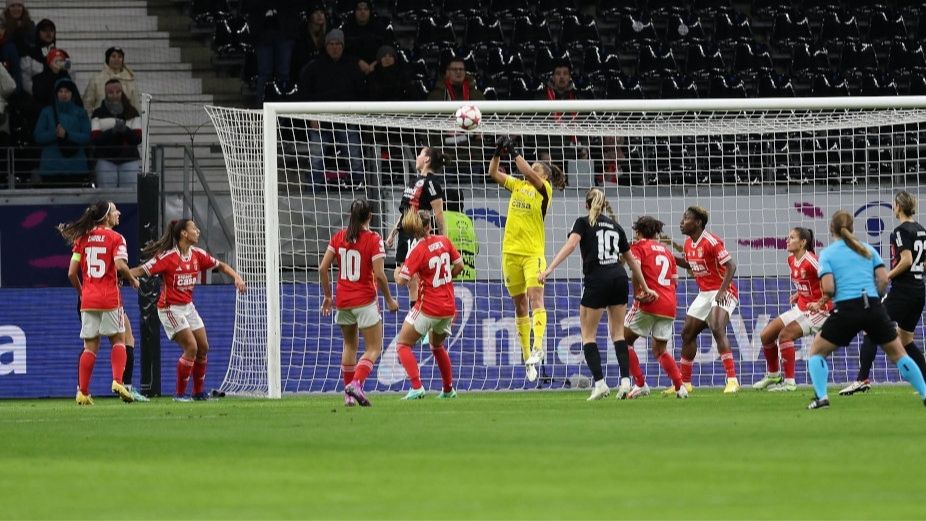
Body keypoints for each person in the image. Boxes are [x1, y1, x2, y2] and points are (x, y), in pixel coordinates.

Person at [539, 189, 656, 400]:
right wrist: (645, 288)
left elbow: (571, 245)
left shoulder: (582, 223)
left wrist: (549, 269)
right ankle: (625, 382)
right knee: (618, 333)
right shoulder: (616, 227)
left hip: (597, 279)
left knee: (588, 335)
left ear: (587, 205)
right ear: (603, 206)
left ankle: (600, 383)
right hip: (619, 278)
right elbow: (630, 261)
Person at [805, 210, 926, 410]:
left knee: (816, 352)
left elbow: (828, 288)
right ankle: (924, 392)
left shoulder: (828, 254)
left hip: (846, 309)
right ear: (852, 228)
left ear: (831, 229)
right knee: (899, 354)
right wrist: (875, 299)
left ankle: (822, 398)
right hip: (873, 307)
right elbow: (883, 279)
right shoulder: (868, 249)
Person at [129, 219, 247, 401]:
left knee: (203, 347)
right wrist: (121, 273)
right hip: (169, 309)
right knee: (191, 347)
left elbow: (221, 266)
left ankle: (198, 393)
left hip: (188, 307)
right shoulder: (168, 258)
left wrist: (237, 278)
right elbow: (141, 270)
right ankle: (179, 394)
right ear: (184, 233)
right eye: (194, 228)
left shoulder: (197, 255)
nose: (197, 231)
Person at [488, 136, 567, 382]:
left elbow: (527, 172)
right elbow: (493, 173)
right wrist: (498, 152)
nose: (529, 171)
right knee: (519, 305)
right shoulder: (517, 186)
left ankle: (538, 346)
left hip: (533, 253)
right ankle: (527, 358)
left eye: (535, 169)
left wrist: (514, 152)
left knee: (536, 299)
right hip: (510, 253)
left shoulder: (544, 190)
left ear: (543, 176)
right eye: (530, 167)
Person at [840, 191, 926, 396]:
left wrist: (888, 275)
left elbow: (905, 260)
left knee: (871, 328)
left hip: (903, 291)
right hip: (919, 290)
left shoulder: (899, 232)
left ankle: (861, 379)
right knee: (905, 340)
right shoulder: (922, 230)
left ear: (898, 206)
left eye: (894, 204)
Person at [57, 201, 140, 405]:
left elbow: (71, 273)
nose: (118, 214)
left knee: (89, 347)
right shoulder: (116, 238)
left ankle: (83, 392)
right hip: (110, 298)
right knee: (119, 340)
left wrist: (82, 292)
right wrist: (132, 279)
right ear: (106, 217)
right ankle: (118, 382)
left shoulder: (82, 239)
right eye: (114, 211)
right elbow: (120, 266)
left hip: (89, 299)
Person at [318, 199, 399, 407]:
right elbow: (380, 275)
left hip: (343, 300)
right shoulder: (373, 239)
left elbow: (322, 268)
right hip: (364, 299)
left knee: (349, 346)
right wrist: (389, 300)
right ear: (369, 216)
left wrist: (328, 296)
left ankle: (347, 396)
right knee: (373, 348)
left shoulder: (338, 237)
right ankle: (356, 384)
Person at [394, 208, 464, 399]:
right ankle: (448, 389)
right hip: (449, 307)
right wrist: (447, 279)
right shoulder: (444, 241)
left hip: (428, 307)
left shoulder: (417, 249)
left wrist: (397, 273)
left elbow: (402, 281)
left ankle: (417, 386)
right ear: (430, 226)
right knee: (436, 346)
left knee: (402, 345)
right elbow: (460, 265)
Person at [671, 205, 740, 394]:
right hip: (704, 294)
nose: (681, 222)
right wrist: (672, 258)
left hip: (724, 291)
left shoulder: (711, 241)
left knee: (717, 327)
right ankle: (685, 383)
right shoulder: (688, 244)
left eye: (686, 218)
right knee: (686, 334)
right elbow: (690, 264)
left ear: (698, 222)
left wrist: (722, 291)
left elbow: (731, 266)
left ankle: (732, 380)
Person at [753, 227, 829, 392]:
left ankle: (789, 383)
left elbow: (832, 285)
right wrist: (799, 293)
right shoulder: (791, 260)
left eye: (792, 237)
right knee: (766, 335)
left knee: (785, 335)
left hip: (821, 311)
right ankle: (773, 375)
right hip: (801, 307)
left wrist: (819, 303)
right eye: (788, 237)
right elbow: (809, 285)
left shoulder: (814, 261)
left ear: (803, 242)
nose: (787, 240)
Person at [621, 216, 687, 399]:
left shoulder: (639, 247)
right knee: (660, 350)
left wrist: (637, 293)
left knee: (622, 341)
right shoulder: (667, 252)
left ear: (638, 231)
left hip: (649, 301)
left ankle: (640, 384)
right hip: (669, 304)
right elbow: (676, 282)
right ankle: (679, 387)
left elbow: (636, 269)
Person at [385, 146, 448, 318]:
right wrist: (393, 234)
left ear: (427, 159)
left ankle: (419, 317)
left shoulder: (432, 183)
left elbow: (439, 214)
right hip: (404, 235)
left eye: (420, 154)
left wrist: (443, 240)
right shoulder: (413, 182)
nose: (418, 156)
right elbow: (406, 212)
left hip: (418, 235)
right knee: (403, 278)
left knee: (414, 278)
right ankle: (419, 314)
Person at [33, 77, 90, 183]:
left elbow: (86, 137)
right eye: (60, 91)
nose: (64, 94)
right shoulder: (46, 112)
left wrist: (67, 135)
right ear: (56, 93)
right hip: (51, 169)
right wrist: (55, 134)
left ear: (72, 93)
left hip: (76, 168)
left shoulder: (81, 112)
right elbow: (38, 136)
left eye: (67, 91)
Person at [244, 0, 301, 104]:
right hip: (262, 33)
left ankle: (284, 109)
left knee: (283, 73)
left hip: (285, 32)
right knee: (264, 74)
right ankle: (262, 108)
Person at [90, 79, 141, 188]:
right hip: (105, 159)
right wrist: (112, 131)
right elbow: (95, 139)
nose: (115, 95)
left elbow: (137, 138)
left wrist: (125, 130)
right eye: (111, 93)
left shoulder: (132, 111)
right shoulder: (98, 113)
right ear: (106, 94)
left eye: (118, 92)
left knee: (129, 195)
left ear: (122, 93)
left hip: (129, 159)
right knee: (107, 196)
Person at [82, 47, 141, 116]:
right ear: (107, 59)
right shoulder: (96, 79)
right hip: (102, 121)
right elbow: (87, 105)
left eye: (120, 57)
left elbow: (136, 105)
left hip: (125, 122)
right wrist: (92, 122)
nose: (117, 59)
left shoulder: (129, 80)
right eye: (113, 56)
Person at [341, 0, 389, 75]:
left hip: (377, 67)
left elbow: (388, 48)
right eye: (359, 9)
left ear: (370, 11)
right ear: (355, 12)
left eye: (366, 9)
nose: (362, 12)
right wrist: (357, 62)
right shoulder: (346, 29)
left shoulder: (379, 28)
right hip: (351, 69)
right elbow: (340, 52)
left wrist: (378, 62)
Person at [444, 187, 478, 281]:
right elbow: (476, 250)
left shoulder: (440, 218)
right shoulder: (468, 220)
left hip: (450, 276)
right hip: (470, 278)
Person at [20, 17, 54, 95]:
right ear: (38, 32)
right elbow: (26, 80)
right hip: (36, 99)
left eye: (51, 30)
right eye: (44, 30)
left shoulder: (59, 53)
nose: (48, 33)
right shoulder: (29, 54)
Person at [291, 4, 327, 77]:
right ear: (310, 16)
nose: (319, 15)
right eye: (316, 13)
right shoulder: (302, 36)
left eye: (322, 13)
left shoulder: (328, 35)